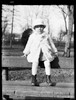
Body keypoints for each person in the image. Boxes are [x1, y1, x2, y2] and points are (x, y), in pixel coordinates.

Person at [23, 18, 58, 86]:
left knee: (47, 63)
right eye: (37, 27)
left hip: (45, 53)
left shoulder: (47, 35)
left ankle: (48, 78)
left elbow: (51, 44)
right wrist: (26, 52)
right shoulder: (32, 36)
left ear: (43, 28)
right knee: (35, 63)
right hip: (35, 53)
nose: (39, 28)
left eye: (41, 27)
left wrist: (55, 51)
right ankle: (33, 79)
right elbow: (29, 44)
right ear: (35, 28)